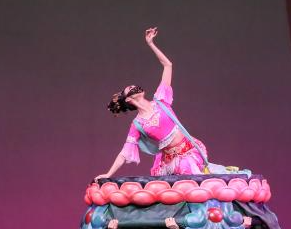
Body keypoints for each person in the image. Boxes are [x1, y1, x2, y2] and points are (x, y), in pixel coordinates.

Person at [97, 28, 229, 178]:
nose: (135, 87)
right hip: (170, 161)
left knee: (193, 176)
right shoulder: (138, 124)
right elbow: (125, 152)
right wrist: (108, 174)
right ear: (128, 99)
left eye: (135, 86)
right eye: (131, 89)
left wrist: (151, 43)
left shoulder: (161, 101)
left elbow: (168, 65)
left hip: (188, 152)